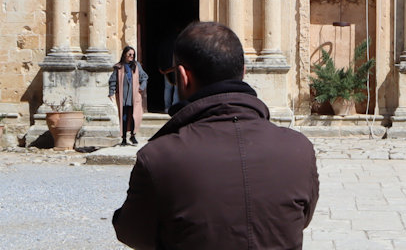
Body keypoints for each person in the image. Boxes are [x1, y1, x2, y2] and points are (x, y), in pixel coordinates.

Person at [113, 22, 319, 250]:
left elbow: (131, 232)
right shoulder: (299, 149)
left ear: (182, 76)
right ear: (243, 72)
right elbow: (302, 218)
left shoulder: (158, 157)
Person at [109, 44, 148, 145]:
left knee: (135, 115)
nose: (131, 56)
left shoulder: (136, 65)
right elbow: (113, 80)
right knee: (124, 117)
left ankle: (133, 135)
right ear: (125, 55)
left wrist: (142, 87)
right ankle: (124, 138)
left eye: (133, 55)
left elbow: (144, 77)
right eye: (129, 54)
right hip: (123, 97)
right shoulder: (118, 67)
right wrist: (111, 92)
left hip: (134, 96)